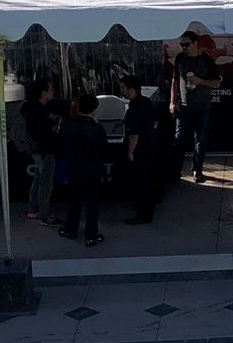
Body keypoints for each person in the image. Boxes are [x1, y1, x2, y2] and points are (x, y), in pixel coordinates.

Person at [57, 93, 109, 246]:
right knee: (92, 203)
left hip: (73, 168)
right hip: (92, 169)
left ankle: (70, 229)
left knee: (74, 200)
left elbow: (61, 147)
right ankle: (91, 235)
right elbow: (104, 150)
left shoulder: (67, 125)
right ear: (94, 109)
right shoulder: (96, 128)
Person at [172, 31, 219, 181]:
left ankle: (197, 170)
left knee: (201, 139)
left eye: (186, 44)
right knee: (179, 139)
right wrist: (172, 102)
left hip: (202, 106)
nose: (183, 47)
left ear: (195, 43)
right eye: (181, 44)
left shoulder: (206, 60)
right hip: (184, 106)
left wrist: (201, 81)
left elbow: (216, 83)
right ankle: (175, 172)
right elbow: (174, 80)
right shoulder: (180, 58)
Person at [119, 70, 160, 225]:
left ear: (131, 89)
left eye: (123, 88)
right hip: (150, 145)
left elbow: (134, 134)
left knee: (141, 181)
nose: (122, 91)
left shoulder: (134, 109)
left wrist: (130, 151)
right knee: (147, 179)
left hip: (140, 149)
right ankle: (146, 208)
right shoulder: (146, 102)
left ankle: (143, 214)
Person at [19, 77, 59, 223]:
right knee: (45, 182)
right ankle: (44, 213)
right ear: (44, 93)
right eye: (51, 89)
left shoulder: (29, 109)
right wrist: (52, 125)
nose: (53, 92)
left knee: (38, 179)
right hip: (44, 150)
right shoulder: (38, 112)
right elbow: (42, 133)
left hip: (35, 150)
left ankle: (33, 208)